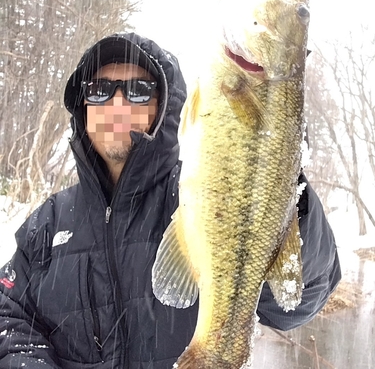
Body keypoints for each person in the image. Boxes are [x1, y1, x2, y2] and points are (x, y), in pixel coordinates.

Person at [0, 32, 341, 369]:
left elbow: (299, 302)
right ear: (83, 106)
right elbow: (8, 314)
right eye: (100, 90)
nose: (117, 105)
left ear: (166, 106)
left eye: (138, 90)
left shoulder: (206, 199)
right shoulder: (47, 224)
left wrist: (278, 183)